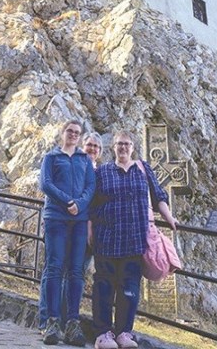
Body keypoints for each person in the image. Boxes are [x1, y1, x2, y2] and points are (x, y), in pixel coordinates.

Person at [89, 131, 178, 349]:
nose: (123, 148)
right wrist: (90, 231)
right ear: (113, 147)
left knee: (129, 288)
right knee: (104, 287)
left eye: (126, 144)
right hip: (107, 238)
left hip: (135, 240)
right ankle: (103, 333)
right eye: (119, 144)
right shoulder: (103, 172)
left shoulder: (143, 169)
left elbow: (159, 196)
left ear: (133, 147)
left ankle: (124, 333)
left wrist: (170, 218)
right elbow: (91, 203)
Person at [39, 133, 103, 332]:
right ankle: (47, 319)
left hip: (85, 230)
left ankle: (67, 320)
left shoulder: (97, 172)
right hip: (63, 222)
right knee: (54, 269)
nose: (92, 149)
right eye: (89, 145)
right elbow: (49, 185)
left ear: (100, 152)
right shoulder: (72, 163)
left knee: (76, 274)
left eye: (96, 147)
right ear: (82, 146)